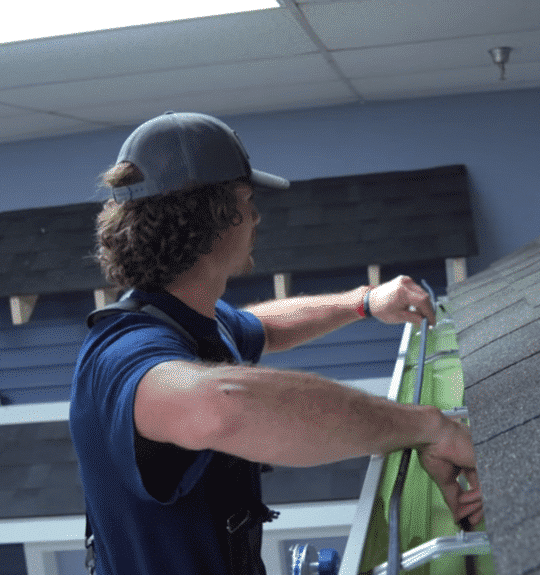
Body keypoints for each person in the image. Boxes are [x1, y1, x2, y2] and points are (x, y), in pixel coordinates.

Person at [69, 111, 483, 575]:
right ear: (214, 218)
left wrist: (363, 302)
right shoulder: (122, 354)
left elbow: (261, 326)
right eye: (246, 200)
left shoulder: (189, 322)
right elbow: (223, 406)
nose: (256, 217)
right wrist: (430, 427)